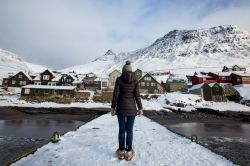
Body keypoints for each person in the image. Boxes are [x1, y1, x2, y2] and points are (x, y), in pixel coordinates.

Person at [111, 60, 143, 161]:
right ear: (131, 70)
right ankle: (129, 151)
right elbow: (137, 96)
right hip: (132, 109)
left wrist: (113, 107)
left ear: (123, 70)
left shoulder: (119, 80)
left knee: (121, 130)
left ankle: (121, 151)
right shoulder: (135, 80)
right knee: (129, 131)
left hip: (120, 108)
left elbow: (115, 95)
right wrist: (140, 108)